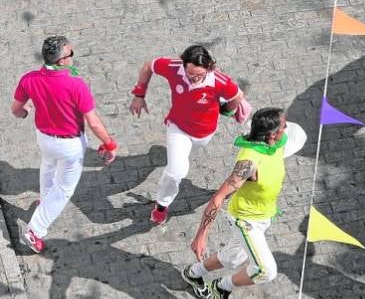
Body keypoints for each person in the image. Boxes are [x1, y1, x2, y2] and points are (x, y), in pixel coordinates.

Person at [11, 36, 118, 253]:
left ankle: (44, 203)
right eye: (71, 54)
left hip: (44, 138)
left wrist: (26, 112)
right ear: (61, 61)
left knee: (48, 166)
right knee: (64, 188)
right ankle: (36, 229)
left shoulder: (29, 79)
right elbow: (94, 122)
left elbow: (16, 110)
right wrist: (109, 143)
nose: (73, 57)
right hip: (70, 145)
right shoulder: (76, 84)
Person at [182, 108, 288, 299]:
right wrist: (200, 237)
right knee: (266, 270)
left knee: (231, 258)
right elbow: (218, 198)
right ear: (271, 134)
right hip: (246, 221)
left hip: (264, 216)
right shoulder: (249, 163)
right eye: (283, 126)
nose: (286, 128)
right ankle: (222, 287)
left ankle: (193, 274)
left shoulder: (277, 143)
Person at [129, 45, 246, 224]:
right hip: (179, 128)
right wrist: (139, 94)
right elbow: (148, 66)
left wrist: (227, 110)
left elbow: (237, 95)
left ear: (209, 68)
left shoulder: (218, 80)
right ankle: (161, 205)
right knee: (177, 171)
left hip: (205, 133)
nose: (193, 79)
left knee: (181, 161)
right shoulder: (174, 68)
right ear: (183, 65)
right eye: (190, 74)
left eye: (199, 75)